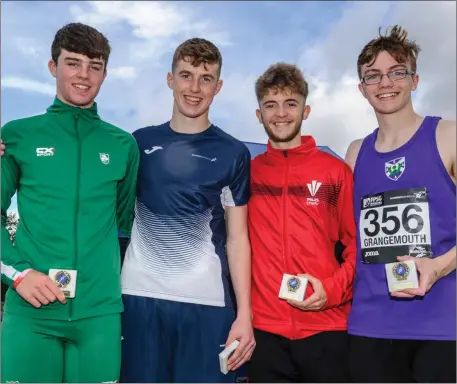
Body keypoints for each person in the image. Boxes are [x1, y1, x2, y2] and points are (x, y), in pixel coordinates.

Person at [1, 22, 139, 383]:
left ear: (105, 74)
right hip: (32, 311)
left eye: (94, 67)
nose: (83, 75)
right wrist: (19, 274)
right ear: (53, 67)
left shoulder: (123, 145)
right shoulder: (16, 135)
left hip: (99, 316)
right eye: (72, 63)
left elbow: (123, 225)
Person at [120, 38, 255, 383]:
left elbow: (238, 239)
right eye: (186, 75)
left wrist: (245, 315)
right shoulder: (138, 142)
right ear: (170, 79)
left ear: (218, 87)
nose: (194, 88)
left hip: (207, 304)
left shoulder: (233, 153)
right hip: (139, 297)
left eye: (206, 78)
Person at [345, 25, 456, 383]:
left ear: (415, 79)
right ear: (362, 89)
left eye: (396, 72)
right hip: (370, 325)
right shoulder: (355, 153)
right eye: (373, 76)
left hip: (441, 327)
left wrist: (438, 266)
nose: (385, 83)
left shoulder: (449, 136)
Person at [246, 63, 356, 382]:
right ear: (259, 114)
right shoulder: (248, 173)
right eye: (271, 105)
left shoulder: (335, 172)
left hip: (328, 330)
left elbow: (358, 247)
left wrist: (332, 291)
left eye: (290, 103)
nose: (281, 113)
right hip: (265, 334)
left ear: (305, 110)